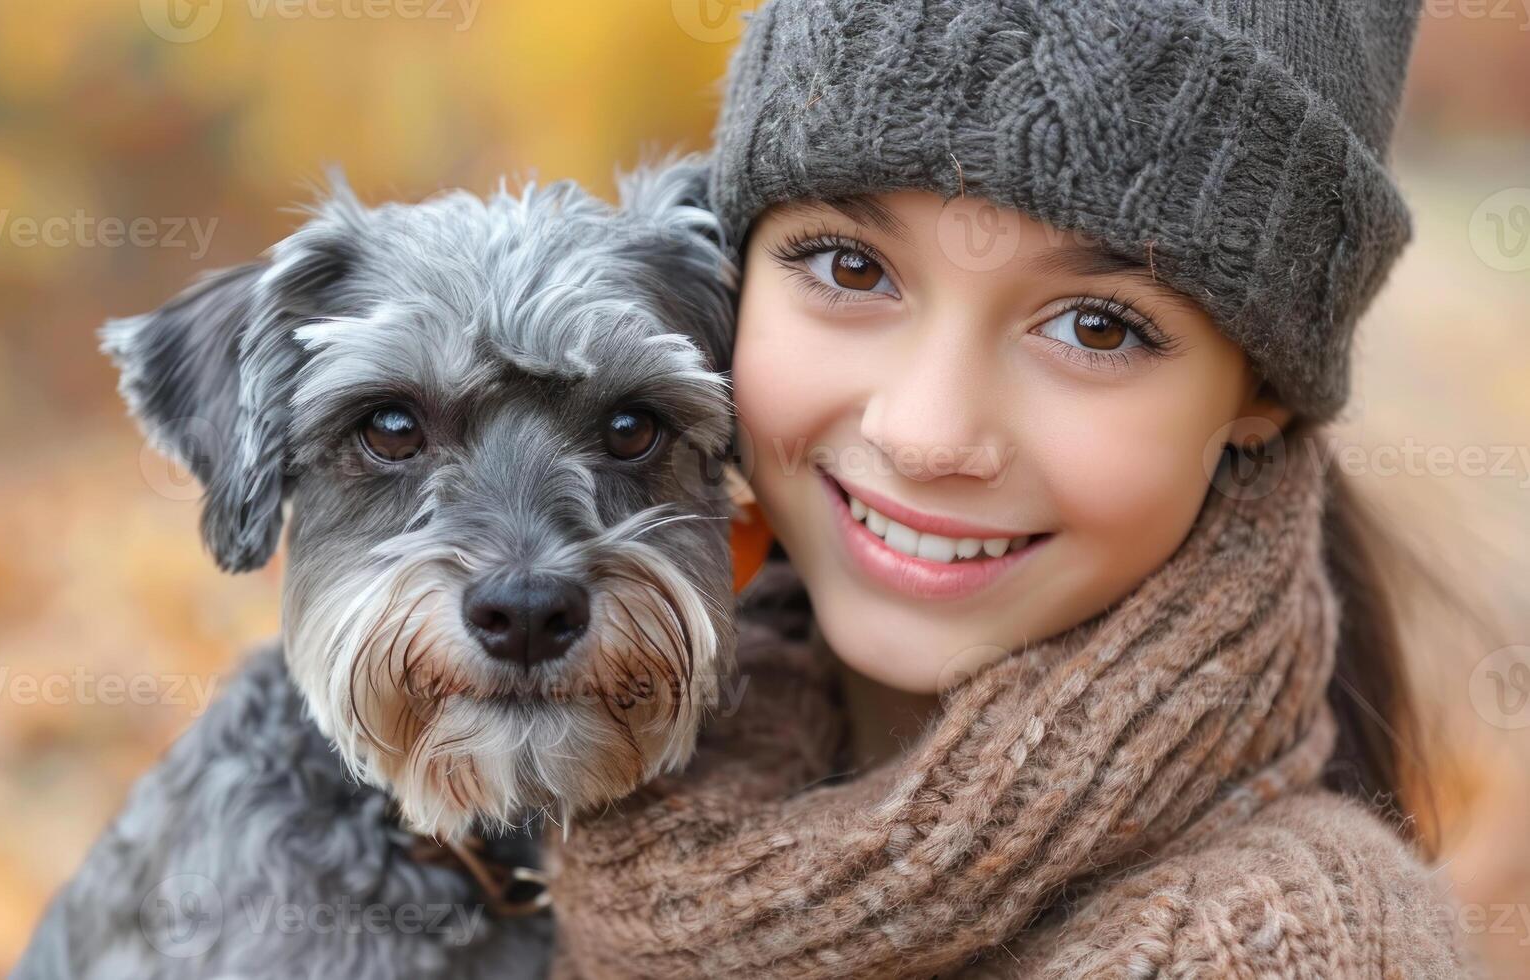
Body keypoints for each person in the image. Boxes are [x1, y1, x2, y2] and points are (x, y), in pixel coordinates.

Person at [544, 0, 1475, 975]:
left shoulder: (1271, 948)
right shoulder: (545, 762)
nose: (925, 432)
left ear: (1262, 393)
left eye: (1096, 328)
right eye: (850, 265)